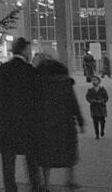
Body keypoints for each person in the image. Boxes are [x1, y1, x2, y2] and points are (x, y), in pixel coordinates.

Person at [0, 37, 41, 192]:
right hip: (27, 122)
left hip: (6, 122)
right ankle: (35, 186)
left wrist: (5, 108)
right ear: (24, 50)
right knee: (31, 158)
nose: (30, 53)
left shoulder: (3, 69)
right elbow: (38, 97)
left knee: (8, 159)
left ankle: (10, 187)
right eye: (29, 50)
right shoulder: (30, 71)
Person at [34, 51, 85, 190]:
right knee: (69, 150)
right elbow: (73, 103)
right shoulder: (65, 82)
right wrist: (80, 121)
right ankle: (70, 180)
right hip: (65, 121)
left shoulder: (39, 82)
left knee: (46, 153)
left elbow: (34, 104)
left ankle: (47, 184)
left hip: (45, 122)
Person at [85, 75, 109, 139]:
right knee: (95, 122)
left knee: (102, 121)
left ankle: (102, 130)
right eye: (92, 80)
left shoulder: (102, 89)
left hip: (101, 108)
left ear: (99, 81)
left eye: (95, 80)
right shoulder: (90, 90)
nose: (93, 81)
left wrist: (102, 101)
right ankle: (97, 134)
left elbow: (106, 97)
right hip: (94, 108)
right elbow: (87, 97)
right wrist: (91, 101)